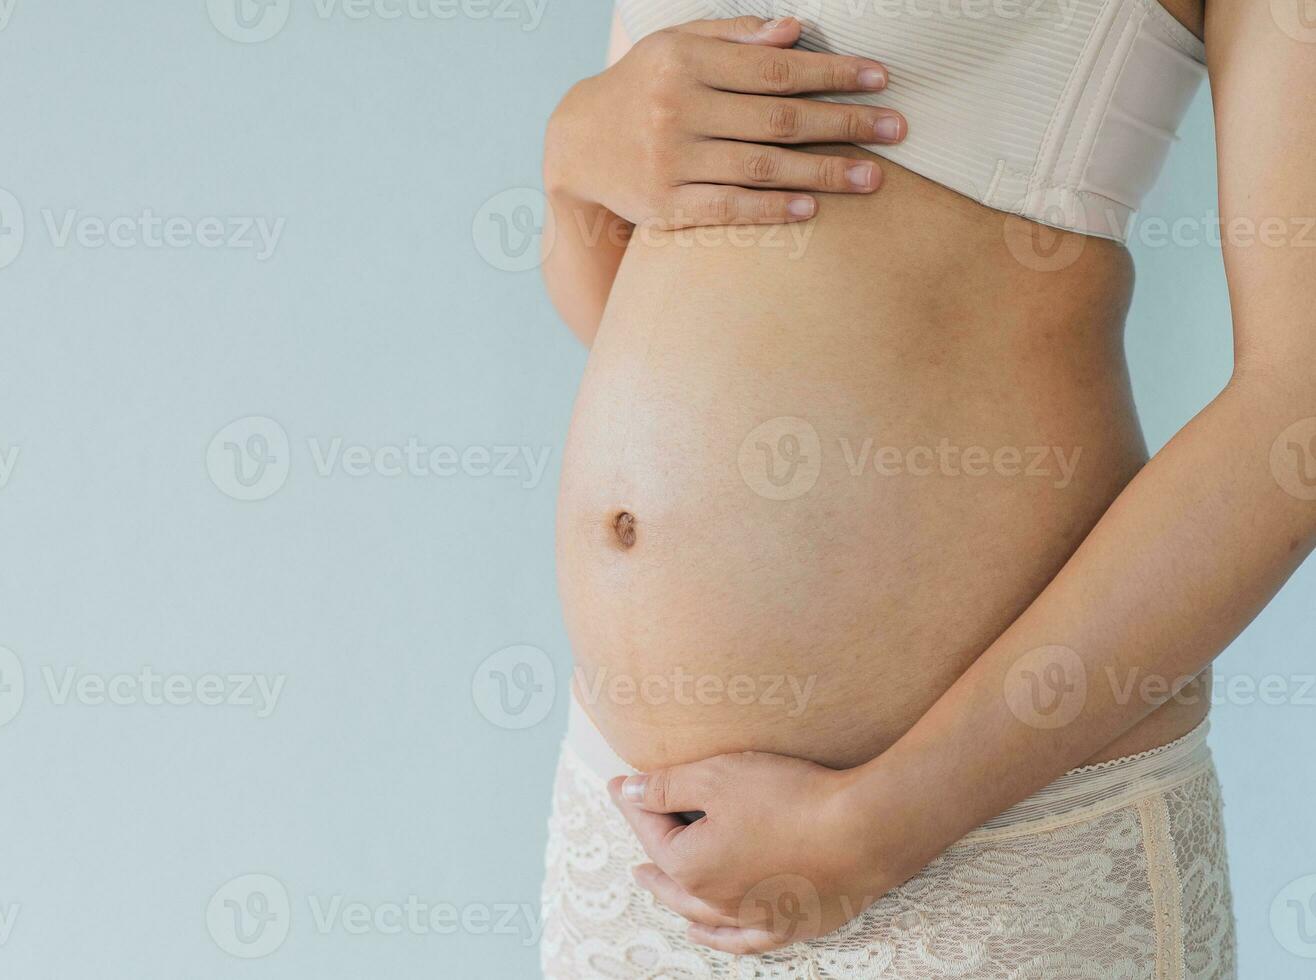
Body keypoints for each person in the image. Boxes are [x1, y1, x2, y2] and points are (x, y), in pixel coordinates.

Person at [537, 2, 1313, 976]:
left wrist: (881, 818)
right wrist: (573, 157)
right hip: (637, 841)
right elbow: (651, 316)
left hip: (991, 838)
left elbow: (1300, 406)